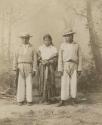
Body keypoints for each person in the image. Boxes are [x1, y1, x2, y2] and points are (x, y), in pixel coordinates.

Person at [58, 30, 82, 106]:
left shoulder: (77, 45)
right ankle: (63, 100)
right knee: (64, 82)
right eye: (66, 36)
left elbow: (80, 57)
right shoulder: (62, 45)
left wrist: (79, 68)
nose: (68, 37)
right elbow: (60, 58)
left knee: (73, 82)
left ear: (72, 36)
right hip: (65, 65)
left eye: (70, 35)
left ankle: (73, 99)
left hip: (74, 64)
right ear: (64, 37)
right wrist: (60, 69)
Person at [13, 34, 37, 106]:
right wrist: (14, 67)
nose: (24, 40)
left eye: (26, 38)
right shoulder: (18, 48)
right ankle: (20, 100)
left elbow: (35, 59)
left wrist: (34, 69)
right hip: (20, 66)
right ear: (21, 39)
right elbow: (15, 58)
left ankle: (29, 100)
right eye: (23, 38)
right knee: (20, 83)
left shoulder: (32, 48)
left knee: (29, 83)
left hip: (28, 65)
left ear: (29, 39)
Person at [37, 34, 58, 104]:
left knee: (49, 80)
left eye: (48, 40)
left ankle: (50, 98)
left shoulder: (53, 48)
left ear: (51, 40)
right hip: (42, 66)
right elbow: (38, 58)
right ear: (43, 41)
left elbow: (55, 59)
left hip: (50, 67)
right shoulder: (40, 48)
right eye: (45, 40)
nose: (47, 42)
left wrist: (50, 61)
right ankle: (43, 98)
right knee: (43, 80)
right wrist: (41, 61)